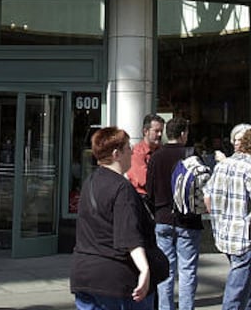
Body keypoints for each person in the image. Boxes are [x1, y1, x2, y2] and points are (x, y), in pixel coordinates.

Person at [70, 126, 156, 310]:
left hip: (84, 273)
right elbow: (128, 234)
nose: (132, 152)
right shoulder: (122, 188)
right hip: (115, 278)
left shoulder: (90, 182)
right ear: (117, 154)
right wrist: (144, 268)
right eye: (128, 148)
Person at [204, 126, 251, 310]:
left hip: (224, 234)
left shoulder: (222, 165)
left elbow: (207, 196)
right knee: (238, 286)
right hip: (243, 235)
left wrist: (218, 218)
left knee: (248, 278)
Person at [146, 116, 202, 310]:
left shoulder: (156, 157)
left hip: (162, 218)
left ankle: (165, 307)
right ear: (182, 134)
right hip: (188, 220)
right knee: (187, 270)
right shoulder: (191, 154)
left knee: (166, 270)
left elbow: (149, 191)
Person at [127, 113, 165, 198]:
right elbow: (144, 180)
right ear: (145, 131)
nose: (160, 135)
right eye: (156, 131)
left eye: (161, 131)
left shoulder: (162, 151)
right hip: (143, 201)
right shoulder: (137, 152)